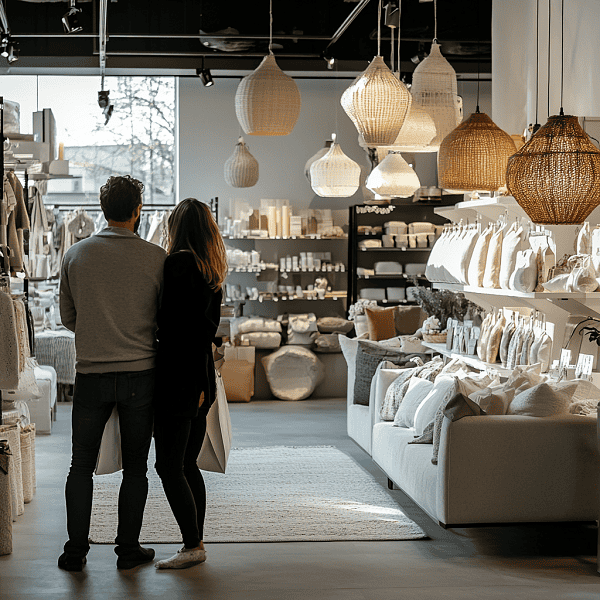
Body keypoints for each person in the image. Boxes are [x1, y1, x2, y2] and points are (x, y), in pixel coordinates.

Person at [58, 175, 166, 571]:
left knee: (80, 465)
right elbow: (162, 320)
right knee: (136, 467)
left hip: (90, 375)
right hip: (141, 375)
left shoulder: (75, 255)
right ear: (138, 210)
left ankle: (74, 552)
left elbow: (69, 318)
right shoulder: (156, 258)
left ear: (102, 211)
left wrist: (100, 331)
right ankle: (127, 550)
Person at [153, 198, 226, 569]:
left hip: (178, 376)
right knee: (186, 462)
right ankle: (195, 542)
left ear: (176, 227)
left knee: (169, 464)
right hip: (200, 375)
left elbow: (173, 326)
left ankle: (192, 543)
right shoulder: (211, 268)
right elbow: (203, 332)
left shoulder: (178, 264)